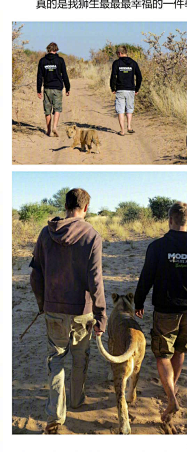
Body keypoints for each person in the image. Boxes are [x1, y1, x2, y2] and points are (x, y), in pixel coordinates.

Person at [30, 186, 106, 433]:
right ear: (85, 208)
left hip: (53, 311)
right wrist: (101, 315)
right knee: (80, 358)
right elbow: (96, 281)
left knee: (56, 361)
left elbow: (35, 275)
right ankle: (76, 400)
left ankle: (55, 415)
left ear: (65, 206)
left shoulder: (46, 233)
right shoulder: (92, 236)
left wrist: (43, 304)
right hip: (82, 312)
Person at [134, 199, 187, 425]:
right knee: (180, 350)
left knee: (162, 354)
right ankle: (172, 388)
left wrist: (138, 302)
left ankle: (171, 396)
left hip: (166, 311)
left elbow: (145, 278)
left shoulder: (158, 247)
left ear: (170, 220)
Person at [37, 41, 70, 138]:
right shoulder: (60, 60)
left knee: (47, 110)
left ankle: (48, 130)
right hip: (57, 88)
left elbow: (39, 77)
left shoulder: (42, 61)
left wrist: (38, 90)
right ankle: (55, 126)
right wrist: (68, 88)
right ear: (56, 50)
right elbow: (64, 75)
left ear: (48, 50)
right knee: (57, 108)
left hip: (47, 88)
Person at [110, 45, 142, 134]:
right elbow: (139, 77)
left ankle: (122, 130)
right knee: (129, 108)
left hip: (120, 89)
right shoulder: (133, 63)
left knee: (120, 110)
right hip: (131, 89)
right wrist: (137, 89)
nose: (117, 55)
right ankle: (129, 127)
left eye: (117, 53)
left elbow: (113, 76)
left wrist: (113, 88)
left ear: (120, 53)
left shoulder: (116, 63)